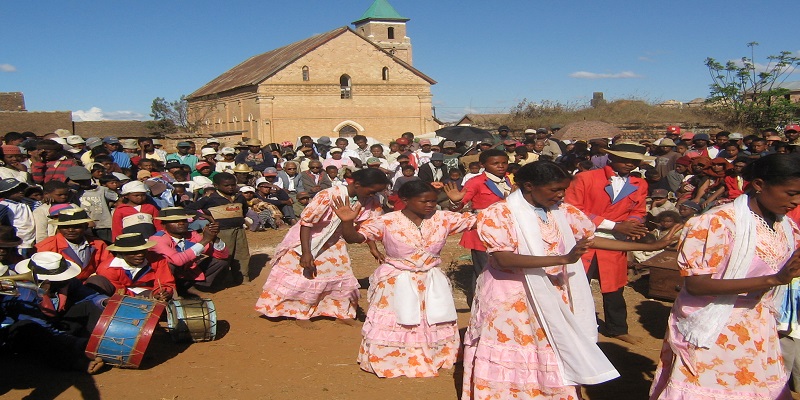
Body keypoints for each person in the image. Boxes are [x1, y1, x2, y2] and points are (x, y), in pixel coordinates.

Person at [463, 161, 676, 399]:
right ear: (530, 186)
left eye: (563, 189)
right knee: (520, 347)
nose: (561, 195)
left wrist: (652, 245)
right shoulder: (499, 214)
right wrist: (563, 258)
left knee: (553, 345)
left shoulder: (563, 211)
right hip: (512, 297)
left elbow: (590, 239)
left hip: (553, 290)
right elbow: (503, 260)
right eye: (554, 189)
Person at [650, 154, 800, 399]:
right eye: (791, 193)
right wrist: (774, 280)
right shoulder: (716, 223)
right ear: (759, 185)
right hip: (715, 329)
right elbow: (697, 285)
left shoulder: (785, 226)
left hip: (758, 326)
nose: (796, 201)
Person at [332, 181, 475, 377]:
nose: (430, 205)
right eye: (424, 201)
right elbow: (355, 238)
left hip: (431, 280)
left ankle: (433, 357)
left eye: (433, 201)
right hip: (396, 281)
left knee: (431, 320)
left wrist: (458, 204)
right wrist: (347, 221)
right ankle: (395, 360)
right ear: (405, 200)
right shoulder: (386, 221)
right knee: (399, 322)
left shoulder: (443, 218)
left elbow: (476, 221)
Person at [255, 168, 390, 327]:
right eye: (373, 191)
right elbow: (306, 224)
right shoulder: (328, 195)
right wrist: (306, 253)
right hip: (309, 240)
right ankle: (300, 314)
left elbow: (366, 227)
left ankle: (342, 312)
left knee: (341, 275)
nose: (374, 195)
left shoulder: (370, 202)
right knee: (306, 277)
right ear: (358, 184)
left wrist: (373, 248)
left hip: (335, 241)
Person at [564, 142, 651, 344]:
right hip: (584, 241)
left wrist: (633, 224)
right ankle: (573, 327)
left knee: (614, 288)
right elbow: (572, 209)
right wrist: (615, 226)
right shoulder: (586, 178)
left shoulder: (640, 184)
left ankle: (617, 328)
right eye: (624, 159)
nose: (629, 164)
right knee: (577, 285)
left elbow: (638, 211)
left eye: (634, 161)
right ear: (612, 158)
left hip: (614, 243)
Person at [443, 149, 510, 306]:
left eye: (504, 163)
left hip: (504, 231)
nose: (501, 166)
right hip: (482, 231)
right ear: (483, 165)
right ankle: (479, 304)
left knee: (496, 268)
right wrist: (454, 202)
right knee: (483, 269)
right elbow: (458, 205)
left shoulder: (507, 180)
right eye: (495, 163)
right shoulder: (476, 182)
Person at [185, 172, 251, 283]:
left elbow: (244, 210)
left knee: (242, 254)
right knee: (224, 255)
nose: (230, 187)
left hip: (239, 230)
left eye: (233, 185)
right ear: (216, 186)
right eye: (226, 185)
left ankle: (242, 277)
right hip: (221, 231)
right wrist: (205, 216)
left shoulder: (240, 197)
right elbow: (188, 209)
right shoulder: (210, 199)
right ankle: (221, 280)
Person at [150, 207, 229, 297]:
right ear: (164, 225)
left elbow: (223, 255)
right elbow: (177, 261)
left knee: (220, 263)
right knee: (169, 265)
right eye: (175, 221)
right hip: (168, 279)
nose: (181, 223)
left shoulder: (191, 234)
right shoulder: (157, 239)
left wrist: (214, 237)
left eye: (184, 220)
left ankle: (196, 287)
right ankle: (172, 292)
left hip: (188, 274)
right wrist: (205, 240)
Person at [36, 207, 113, 281]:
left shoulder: (98, 244)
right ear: (59, 228)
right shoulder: (46, 246)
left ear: (85, 227)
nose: (70, 230)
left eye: (76, 227)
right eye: (65, 227)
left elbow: (107, 267)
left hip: (91, 284)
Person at [94, 233, 175, 301]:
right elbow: (119, 292)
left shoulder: (157, 260)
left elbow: (166, 282)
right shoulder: (107, 269)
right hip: (124, 300)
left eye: (143, 250)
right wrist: (147, 297)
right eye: (134, 252)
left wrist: (162, 292)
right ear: (121, 253)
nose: (140, 255)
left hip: (154, 295)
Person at [0, 178, 35, 257]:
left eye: (21, 189)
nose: (20, 192)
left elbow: (38, 204)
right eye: (15, 190)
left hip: (30, 238)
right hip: (18, 240)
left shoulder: (25, 202)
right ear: (5, 193)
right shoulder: (5, 205)